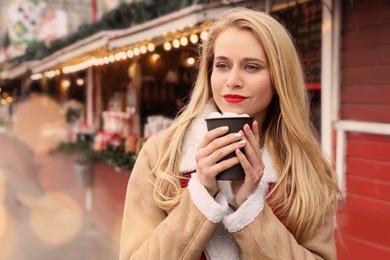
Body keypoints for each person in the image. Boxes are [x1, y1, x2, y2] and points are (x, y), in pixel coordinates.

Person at [119, 8, 341, 260]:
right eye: (222, 65)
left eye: (252, 67)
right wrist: (200, 193)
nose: (233, 80)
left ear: (279, 77)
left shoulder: (307, 167)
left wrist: (250, 207)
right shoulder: (161, 154)